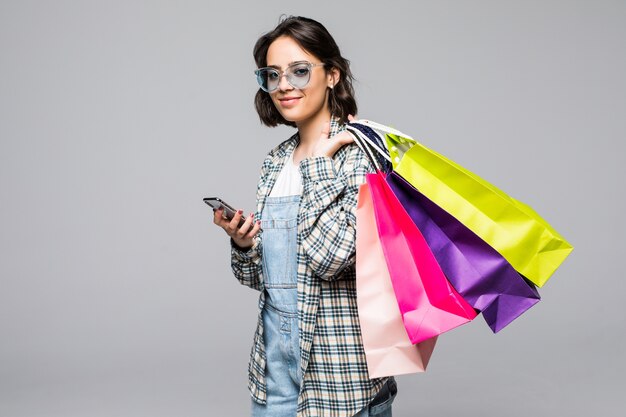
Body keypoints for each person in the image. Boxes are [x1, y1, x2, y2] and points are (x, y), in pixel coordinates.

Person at [212, 16, 397, 417]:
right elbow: (264, 281)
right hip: (274, 375)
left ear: (332, 75)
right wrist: (244, 243)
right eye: (272, 75)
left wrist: (318, 166)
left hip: (342, 382)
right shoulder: (275, 162)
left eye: (299, 71)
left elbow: (331, 259)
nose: (284, 85)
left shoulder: (362, 156)